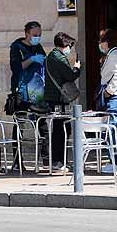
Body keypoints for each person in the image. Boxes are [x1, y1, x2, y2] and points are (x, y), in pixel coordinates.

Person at [43, 32, 81, 171]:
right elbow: (70, 75)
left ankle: (57, 161)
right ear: (65, 44)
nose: (70, 48)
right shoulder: (58, 58)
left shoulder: (51, 56)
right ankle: (58, 162)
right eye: (70, 45)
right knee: (62, 130)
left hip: (53, 98)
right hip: (58, 99)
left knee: (58, 129)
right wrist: (77, 67)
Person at [97, 29, 117, 173]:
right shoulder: (113, 54)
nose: (99, 44)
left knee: (110, 129)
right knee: (111, 128)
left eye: (101, 40)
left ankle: (115, 162)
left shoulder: (114, 55)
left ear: (107, 42)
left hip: (116, 96)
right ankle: (114, 161)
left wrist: (108, 91)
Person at [9, 21, 46, 113]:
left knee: (40, 120)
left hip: (37, 90)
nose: (37, 37)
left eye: (39, 35)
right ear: (27, 34)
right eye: (35, 35)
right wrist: (32, 59)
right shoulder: (17, 47)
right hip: (22, 91)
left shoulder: (38, 47)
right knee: (23, 120)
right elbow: (16, 68)